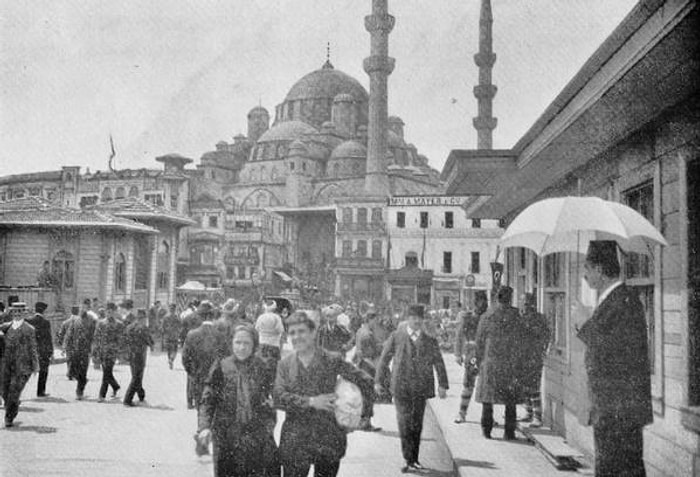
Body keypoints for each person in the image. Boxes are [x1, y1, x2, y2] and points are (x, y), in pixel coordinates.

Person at [578, 240, 652, 476]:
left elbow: (612, 353)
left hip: (619, 409)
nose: (585, 275)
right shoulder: (613, 300)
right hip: (612, 408)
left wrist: (583, 323)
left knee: (617, 470)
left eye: (587, 268)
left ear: (599, 270)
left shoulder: (623, 301)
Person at [274, 311, 374, 477]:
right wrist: (311, 401)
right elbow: (278, 397)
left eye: (301, 331)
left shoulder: (331, 359)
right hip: (295, 440)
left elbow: (365, 381)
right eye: (292, 333)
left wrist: (358, 416)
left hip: (328, 437)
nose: (297, 337)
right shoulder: (285, 365)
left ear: (313, 333)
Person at [197, 325, 280, 477]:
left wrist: (268, 424)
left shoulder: (262, 367)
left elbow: (273, 397)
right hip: (226, 437)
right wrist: (204, 426)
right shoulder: (222, 366)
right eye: (238, 342)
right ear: (231, 343)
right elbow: (208, 400)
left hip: (255, 436)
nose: (241, 348)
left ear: (254, 344)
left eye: (246, 343)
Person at [375, 304, 448, 473]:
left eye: (419, 318)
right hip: (401, 387)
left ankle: (414, 459)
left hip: (420, 389)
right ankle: (408, 459)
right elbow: (384, 358)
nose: (416, 321)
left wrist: (443, 384)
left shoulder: (430, 341)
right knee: (404, 423)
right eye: (413, 318)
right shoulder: (396, 336)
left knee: (416, 424)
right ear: (407, 319)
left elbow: (439, 362)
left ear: (423, 321)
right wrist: (378, 381)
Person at [475, 286, 529, 440]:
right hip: (510, 364)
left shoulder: (487, 316)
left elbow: (479, 342)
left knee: (488, 399)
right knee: (510, 401)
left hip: (490, 363)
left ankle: (487, 431)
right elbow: (523, 341)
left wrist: (480, 362)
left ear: (497, 297)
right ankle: (509, 432)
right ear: (510, 298)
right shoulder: (517, 316)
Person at [182, 301, 225, 414]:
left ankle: (200, 426)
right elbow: (224, 357)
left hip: (197, 374)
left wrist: (191, 372)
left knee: (200, 405)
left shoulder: (192, 334)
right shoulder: (220, 335)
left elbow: (185, 357)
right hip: (215, 376)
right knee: (212, 405)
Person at [0, 307, 39, 427]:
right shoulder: (5, 327)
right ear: (11, 313)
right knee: (3, 390)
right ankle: (12, 406)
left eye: (20, 312)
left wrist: (35, 364)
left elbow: (33, 347)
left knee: (14, 392)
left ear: (24, 313)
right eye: (15, 312)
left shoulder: (29, 329)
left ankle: (9, 417)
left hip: (22, 366)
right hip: (6, 365)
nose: (17, 314)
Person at [454, 292, 488, 424]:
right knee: (469, 384)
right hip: (473, 355)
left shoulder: (489, 317)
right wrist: (457, 354)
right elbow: (459, 335)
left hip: (487, 355)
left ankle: (487, 416)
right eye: (480, 302)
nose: (483, 304)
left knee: (486, 385)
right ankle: (462, 413)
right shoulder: (468, 317)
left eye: (484, 301)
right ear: (475, 303)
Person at [519, 292, 551, 427]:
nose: (524, 306)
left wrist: (544, 350)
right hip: (522, 356)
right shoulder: (520, 318)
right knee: (524, 386)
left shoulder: (539, 319)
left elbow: (546, 336)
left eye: (526, 303)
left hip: (534, 356)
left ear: (532, 304)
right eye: (522, 303)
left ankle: (537, 417)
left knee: (534, 387)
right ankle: (528, 413)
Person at [351, 310, 382, 432]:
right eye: (375, 320)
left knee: (363, 393)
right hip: (368, 366)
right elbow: (370, 354)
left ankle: (360, 421)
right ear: (370, 320)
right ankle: (366, 423)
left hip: (360, 365)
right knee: (368, 394)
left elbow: (357, 349)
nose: (377, 322)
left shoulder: (360, 331)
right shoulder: (368, 334)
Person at [64, 302, 97, 400]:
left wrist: (93, 348)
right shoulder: (75, 320)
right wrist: (65, 345)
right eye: (81, 307)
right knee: (74, 371)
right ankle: (82, 382)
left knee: (83, 371)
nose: (83, 309)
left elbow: (94, 336)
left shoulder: (92, 321)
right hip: (75, 349)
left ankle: (79, 392)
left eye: (85, 308)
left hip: (85, 350)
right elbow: (69, 333)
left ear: (88, 309)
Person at [94, 302, 124, 401]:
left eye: (111, 311)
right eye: (108, 311)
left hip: (112, 352)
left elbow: (121, 340)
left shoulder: (119, 324)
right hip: (103, 351)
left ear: (114, 312)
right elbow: (97, 337)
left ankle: (101, 395)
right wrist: (96, 350)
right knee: (107, 372)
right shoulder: (101, 323)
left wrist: (118, 351)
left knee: (106, 373)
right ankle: (115, 386)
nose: (109, 313)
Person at [123, 309, 154, 406]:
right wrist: (152, 345)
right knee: (137, 377)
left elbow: (124, 339)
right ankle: (127, 399)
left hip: (131, 354)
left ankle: (141, 395)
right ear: (143, 318)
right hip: (140, 355)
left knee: (136, 375)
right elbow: (149, 341)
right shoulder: (143, 328)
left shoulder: (129, 327)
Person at [26, 301, 53, 397]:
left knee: (25, 372)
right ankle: (40, 391)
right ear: (44, 311)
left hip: (29, 350)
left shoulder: (28, 320)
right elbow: (48, 338)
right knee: (43, 371)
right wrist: (51, 352)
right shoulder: (46, 322)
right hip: (42, 351)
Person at [161, 303, 181, 369]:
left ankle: (170, 359)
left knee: (169, 349)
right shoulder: (177, 316)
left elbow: (163, 326)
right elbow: (180, 325)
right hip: (175, 335)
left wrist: (164, 333)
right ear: (175, 309)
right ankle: (172, 359)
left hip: (167, 335)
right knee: (175, 349)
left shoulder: (165, 317)